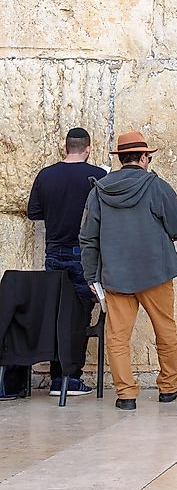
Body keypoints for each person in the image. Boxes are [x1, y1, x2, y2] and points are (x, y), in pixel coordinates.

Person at [80, 131, 177, 411]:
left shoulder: (100, 190)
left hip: (116, 275)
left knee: (117, 337)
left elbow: (88, 238)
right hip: (155, 273)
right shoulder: (156, 186)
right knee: (165, 330)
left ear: (121, 159)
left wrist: (91, 276)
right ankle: (169, 387)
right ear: (143, 157)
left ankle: (126, 394)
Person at [25, 128, 107, 397]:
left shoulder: (46, 175)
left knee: (57, 313)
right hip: (83, 254)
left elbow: (34, 213)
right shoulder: (98, 176)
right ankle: (70, 379)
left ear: (65, 147)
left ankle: (57, 377)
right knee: (80, 315)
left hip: (54, 253)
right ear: (88, 148)